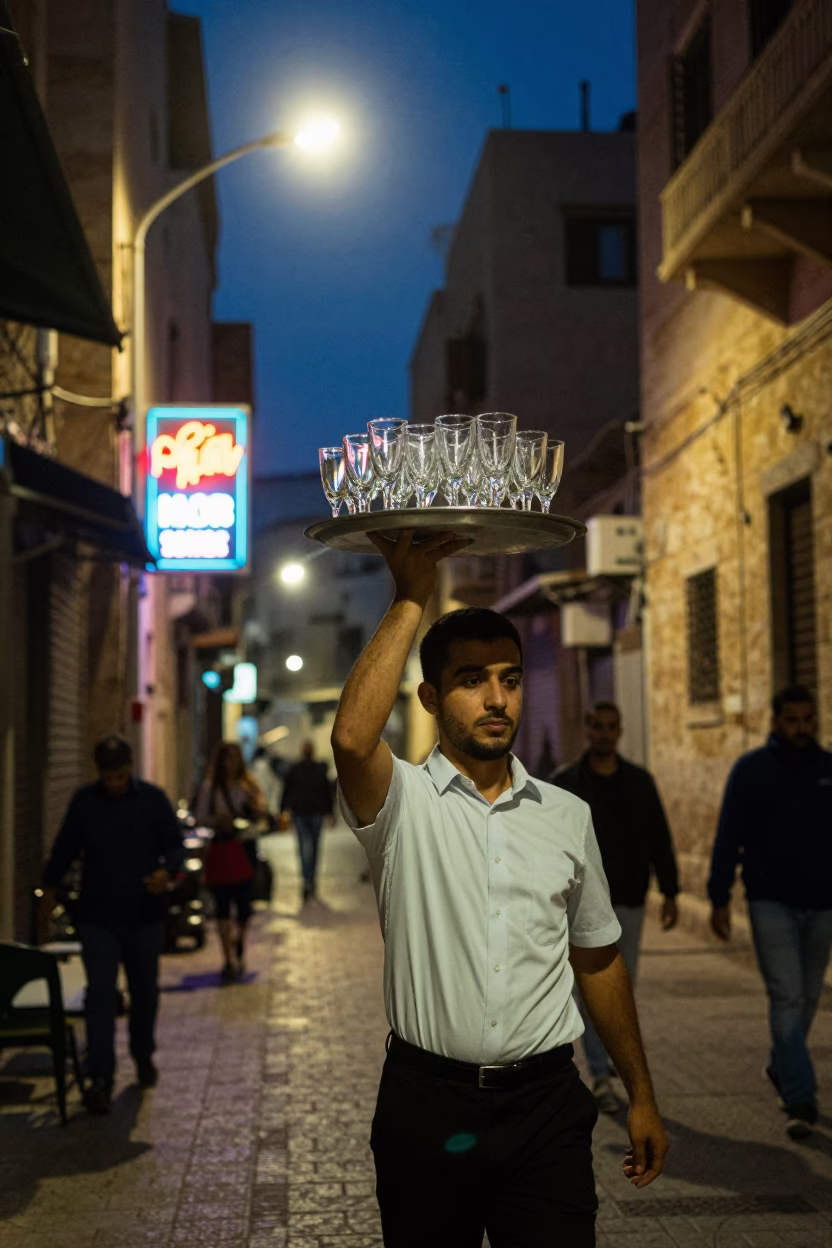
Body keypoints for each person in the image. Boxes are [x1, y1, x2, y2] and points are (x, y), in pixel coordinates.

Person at [331, 529, 667, 1248]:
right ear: (429, 696)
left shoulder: (567, 816)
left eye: (510, 679)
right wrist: (411, 596)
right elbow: (354, 742)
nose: (496, 699)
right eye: (471, 679)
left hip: (545, 1106)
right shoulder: (401, 806)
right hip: (428, 1106)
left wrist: (641, 1092)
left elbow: (600, 958)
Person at [708, 685, 832, 1142]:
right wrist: (718, 896)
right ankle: (800, 1097)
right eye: (793, 719)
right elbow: (728, 836)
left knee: (808, 996)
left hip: (822, 904)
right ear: (776, 721)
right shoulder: (752, 771)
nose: (802, 727)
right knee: (786, 996)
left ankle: (782, 1064)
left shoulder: (827, 769)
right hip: (770, 902)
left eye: (808, 719)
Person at [39, 735, 183, 1114]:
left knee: (144, 993)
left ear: (129, 769)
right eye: (108, 777)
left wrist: (165, 872)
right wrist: (48, 890)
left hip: (144, 917)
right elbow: (65, 850)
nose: (115, 783)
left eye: (120, 776)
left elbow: (175, 846)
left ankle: (142, 1054)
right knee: (100, 995)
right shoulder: (85, 802)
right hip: (98, 917)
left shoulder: (152, 800)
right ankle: (100, 1077)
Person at [552, 701, 680, 1113]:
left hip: (627, 898)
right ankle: (601, 1074)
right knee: (590, 990)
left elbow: (659, 837)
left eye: (611, 726)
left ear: (620, 731)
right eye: (597, 726)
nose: (604, 733)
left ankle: (607, 1067)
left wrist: (672, 890)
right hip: (581, 903)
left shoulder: (640, 782)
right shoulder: (566, 783)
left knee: (623, 987)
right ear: (586, 729)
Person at [193, 741, 267, 981]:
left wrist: (254, 807)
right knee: (222, 904)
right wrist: (217, 821)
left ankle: (239, 940)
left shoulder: (249, 784)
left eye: (234, 758)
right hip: (222, 848)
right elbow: (200, 817)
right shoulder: (210, 789)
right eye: (226, 758)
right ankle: (227, 959)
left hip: (245, 847)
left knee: (245, 905)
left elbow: (263, 812)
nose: (230, 763)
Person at [279, 741, 334, 903]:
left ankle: (311, 880)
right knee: (304, 848)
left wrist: (330, 812)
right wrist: (283, 809)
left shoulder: (318, 769)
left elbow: (326, 791)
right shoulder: (296, 770)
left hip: (314, 813)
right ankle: (307, 881)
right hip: (301, 813)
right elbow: (287, 790)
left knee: (315, 848)